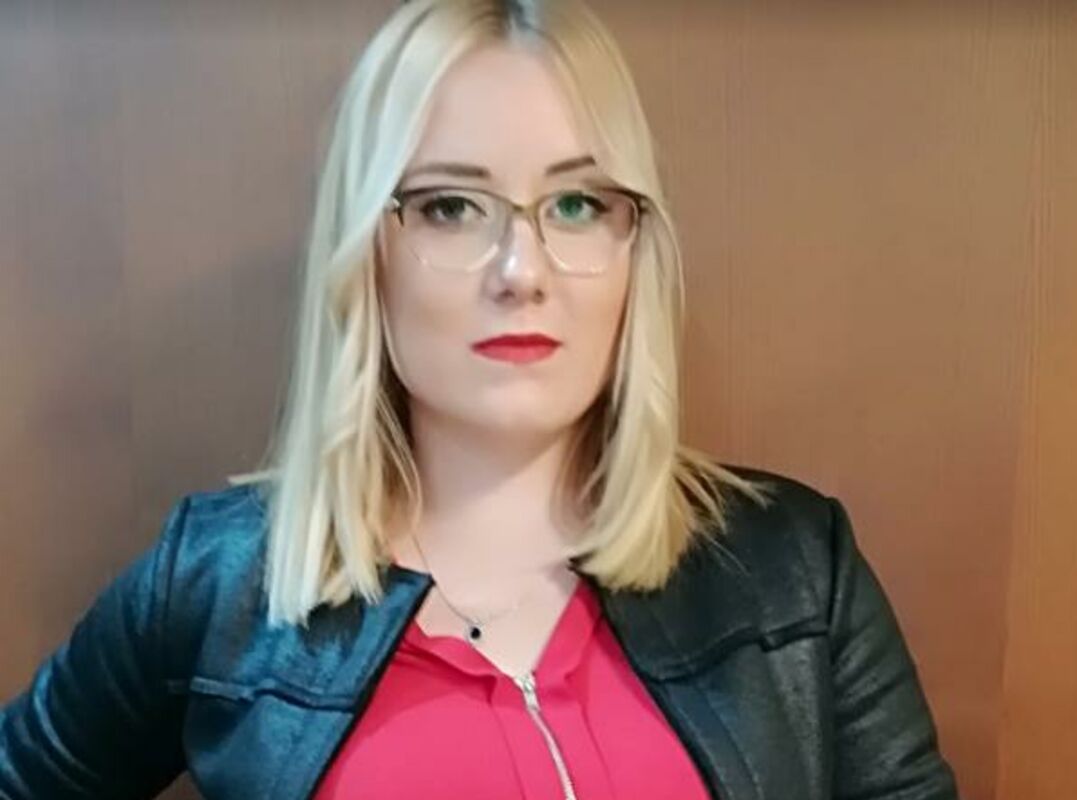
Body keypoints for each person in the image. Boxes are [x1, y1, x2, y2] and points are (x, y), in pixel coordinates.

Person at [0, 1, 959, 798]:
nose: (521, 271)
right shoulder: (217, 587)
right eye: (451, 207)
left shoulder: (797, 572)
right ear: (366, 253)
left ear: (635, 248)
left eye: (577, 205)